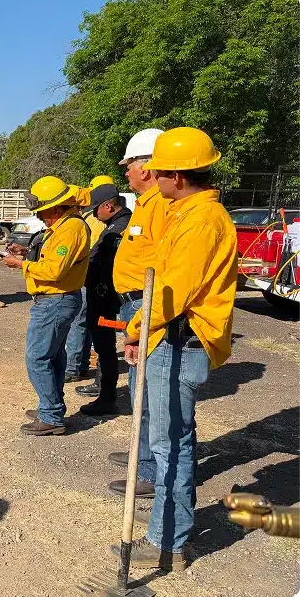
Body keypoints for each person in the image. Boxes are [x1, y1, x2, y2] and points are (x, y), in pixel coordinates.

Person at [113, 127, 236, 570]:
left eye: (160, 171)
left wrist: (137, 329)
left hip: (178, 339)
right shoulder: (188, 211)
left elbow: (172, 290)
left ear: (178, 176)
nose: (152, 176)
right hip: (170, 336)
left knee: (170, 445)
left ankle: (168, 541)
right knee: (175, 440)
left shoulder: (200, 220)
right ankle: (169, 534)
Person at [2, 176, 89, 436]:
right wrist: (26, 253)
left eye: (42, 212)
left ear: (55, 207)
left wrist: (20, 265)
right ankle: (51, 407)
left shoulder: (71, 229)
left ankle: (51, 414)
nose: (40, 217)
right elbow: (52, 259)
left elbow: (54, 271)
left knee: (37, 357)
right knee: (53, 356)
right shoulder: (62, 228)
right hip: (56, 300)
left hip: (55, 301)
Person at [106, 128, 166, 500]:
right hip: (133, 303)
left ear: (145, 167)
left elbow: (163, 270)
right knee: (138, 391)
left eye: (128, 165)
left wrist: (139, 322)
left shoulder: (161, 204)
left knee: (146, 393)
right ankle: (141, 456)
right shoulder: (146, 202)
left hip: (145, 305)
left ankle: (148, 470)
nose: (125, 172)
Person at [74, 184, 131, 416]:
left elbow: (106, 265)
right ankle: (103, 387)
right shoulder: (118, 225)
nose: (95, 214)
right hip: (107, 297)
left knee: (106, 345)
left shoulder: (118, 230)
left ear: (108, 206)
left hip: (106, 298)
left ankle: (107, 397)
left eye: (96, 209)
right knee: (105, 344)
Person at [64, 175, 112, 382]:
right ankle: (81, 364)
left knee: (78, 322)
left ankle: (72, 367)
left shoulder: (92, 219)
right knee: (87, 322)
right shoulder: (98, 218)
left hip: (86, 277)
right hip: (96, 279)